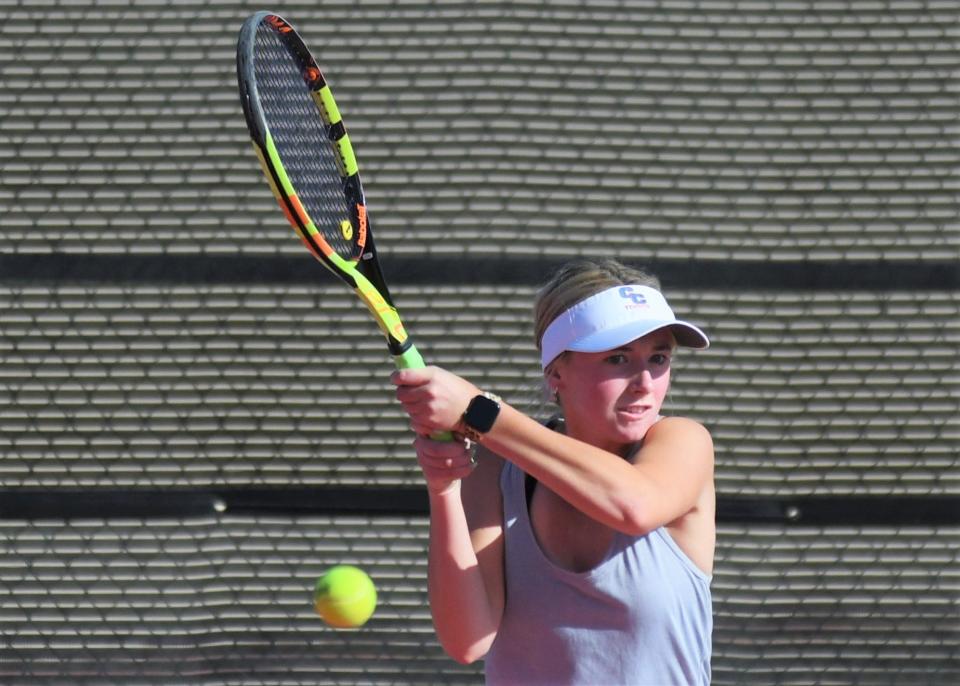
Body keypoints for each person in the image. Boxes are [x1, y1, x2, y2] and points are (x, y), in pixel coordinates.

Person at [391, 258, 715, 685]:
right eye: (618, 358)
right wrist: (444, 489)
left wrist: (481, 412)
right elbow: (467, 640)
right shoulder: (498, 466)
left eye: (658, 357)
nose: (645, 382)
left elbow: (633, 505)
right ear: (556, 371)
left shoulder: (684, 441)